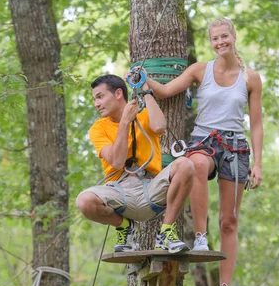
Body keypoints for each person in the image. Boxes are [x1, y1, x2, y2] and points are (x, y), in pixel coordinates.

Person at [143, 18, 263, 286]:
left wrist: (258, 163)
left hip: (235, 146)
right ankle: (199, 236)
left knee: (230, 221)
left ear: (234, 37)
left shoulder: (251, 78)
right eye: (215, 38)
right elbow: (165, 91)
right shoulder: (200, 70)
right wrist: (143, 79)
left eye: (224, 37)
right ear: (210, 42)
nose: (220, 42)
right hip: (203, 139)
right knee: (196, 164)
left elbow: (256, 124)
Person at [76, 74, 194, 253]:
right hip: (120, 190)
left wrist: (145, 89)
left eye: (100, 97)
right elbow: (116, 162)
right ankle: (124, 227)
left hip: (151, 187)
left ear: (117, 94)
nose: (96, 104)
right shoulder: (98, 128)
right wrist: (124, 121)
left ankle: (166, 232)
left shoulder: (144, 115)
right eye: (95, 99)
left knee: (185, 165)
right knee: (84, 201)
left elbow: (160, 126)